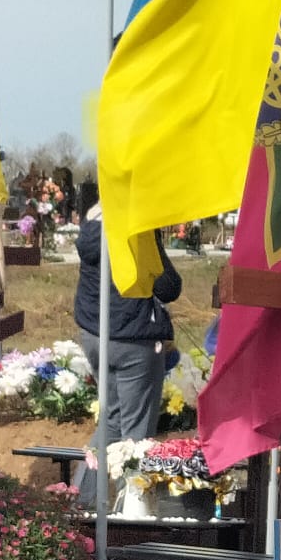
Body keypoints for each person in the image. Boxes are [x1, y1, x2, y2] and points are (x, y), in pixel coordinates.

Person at [74, 207, 181, 497]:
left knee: (110, 420)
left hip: (95, 334)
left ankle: (82, 500)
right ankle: (133, 505)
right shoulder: (138, 217)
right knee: (136, 435)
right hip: (134, 338)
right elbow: (167, 285)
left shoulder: (92, 219)